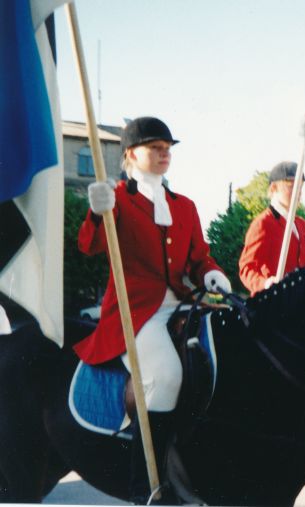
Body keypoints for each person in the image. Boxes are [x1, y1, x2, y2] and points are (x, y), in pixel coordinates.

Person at [73, 116, 232, 503]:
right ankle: (147, 484)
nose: (164, 155)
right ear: (130, 154)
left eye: (168, 149)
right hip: (134, 311)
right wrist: (97, 212)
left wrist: (211, 273)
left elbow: (199, 258)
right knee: (165, 374)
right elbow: (88, 245)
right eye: (155, 148)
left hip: (182, 304)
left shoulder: (185, 205)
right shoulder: (118, 199)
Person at [238, 161, 305, 296]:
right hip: (271, 302)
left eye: (300, 187)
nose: (298, 193)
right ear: (273, 188)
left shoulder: (302, 225)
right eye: (291, 187)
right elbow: (246, 269)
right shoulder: (263, 223)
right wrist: (265, 284)